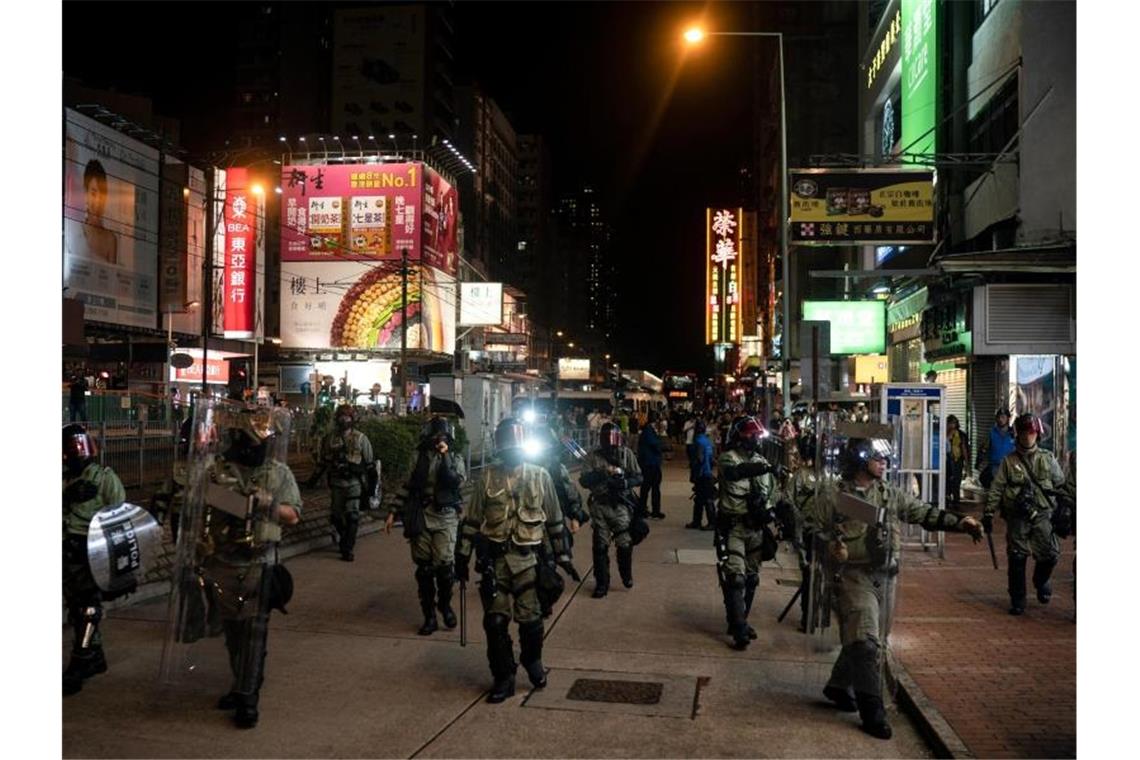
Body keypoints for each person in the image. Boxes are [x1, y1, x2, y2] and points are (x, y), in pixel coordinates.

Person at [803, 437, 982, 740]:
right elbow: (807, 527)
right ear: (861, 461)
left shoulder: (890, 495)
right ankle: (873, 711)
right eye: (877, 458)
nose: (884, 463)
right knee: (866, 643)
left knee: (874, 641)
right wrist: (828, 545)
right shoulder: (834, 497)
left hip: (886, 578)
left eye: (885, 458)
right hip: (852, 577)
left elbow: (924, 513)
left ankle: (837, 686)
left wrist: (960, 522)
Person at [187, 406, 302, 728]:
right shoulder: (216, 472)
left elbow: (293, 515)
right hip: (221, 562)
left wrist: (266, 504)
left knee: (253, 636)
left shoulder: (278, 473)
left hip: (258, 563)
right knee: (233, 635)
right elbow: (196, 510)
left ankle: (248, 696)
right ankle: (239, 686)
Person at [455, 418, 572, 703]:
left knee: (530, 620)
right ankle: (503, 676)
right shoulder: (487, 478)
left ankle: (532, 661)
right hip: (496, 563)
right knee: (495, 623)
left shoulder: (540, 476)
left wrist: (563, 557)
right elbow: (471, 521)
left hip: (529, 561)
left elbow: (555, 521)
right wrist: (461, 556)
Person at [385, 416, 466, 634]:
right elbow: (407, 485)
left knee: (445, 566)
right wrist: (393, 511)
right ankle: (429, 615)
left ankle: (445, 605)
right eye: (435, 436)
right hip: (421, 514)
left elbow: (455, 481)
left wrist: (445, 455)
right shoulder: (417, 458)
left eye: (443, 436)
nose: (438, 439)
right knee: (424, 568)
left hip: (446, 516)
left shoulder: (455, 457)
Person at [63, 424, 126, 696]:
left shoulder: (103, 478)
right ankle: (95, 654)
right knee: (76, 605)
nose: (79, 453)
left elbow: (120, 516)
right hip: (66, 548)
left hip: (91, 549)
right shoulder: (63, 480)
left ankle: (82, 658)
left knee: (87, 608)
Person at [983, 413, 1065, 616]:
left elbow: (1061, 485)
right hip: (1017, 517)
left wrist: (1065, 509)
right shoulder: (1008, 462)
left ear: (1037, 434)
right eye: (1024, 433)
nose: (1028, 437)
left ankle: (1041, 580)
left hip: (1043, 515)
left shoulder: (1047, 459)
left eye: (1032, 433)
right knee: (1017, 558)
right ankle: (1018, 599)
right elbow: (997, 488)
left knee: (1050, 555)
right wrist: (988, 512)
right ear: (1017, 435)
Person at [714, 416, 778, 651]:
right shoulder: (727, 459)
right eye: (752, 436)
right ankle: (739, 627)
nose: (755, 440)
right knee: (735, 576)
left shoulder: (763, 463)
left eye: (757, 436)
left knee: (751, 578)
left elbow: (773, 495)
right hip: (734, 527)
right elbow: (733, 474)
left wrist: (772, 511)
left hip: (756, 530)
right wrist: (763, 468)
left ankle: (739, 620)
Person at [529, 424, 589, 618]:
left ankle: (544, 601)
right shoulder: (519, 465)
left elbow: (568, 492)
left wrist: (575, 516)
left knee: (548, 559)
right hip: (524, 519)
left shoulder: (556, 467)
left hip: (549, 519)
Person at [579, 422, 643, 598]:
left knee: (624, 543)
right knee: (600, 546)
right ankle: (602, 583)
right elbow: (584, 481)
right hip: (600, 505)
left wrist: (625, 483)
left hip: (621, 505)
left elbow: (638, 476)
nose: (611, 443)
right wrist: (603, 473)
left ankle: (626, 574)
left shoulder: (626, 454)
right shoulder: (592, 456)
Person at [317, 405, 374, 561]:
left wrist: (371, 489)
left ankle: (347, 548)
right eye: (341, 416)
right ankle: (345, 539)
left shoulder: (361, 438)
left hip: (354, 482)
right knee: (336, 516)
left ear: (352, 418)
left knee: (352, 515)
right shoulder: (330, 439)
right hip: (336, 482)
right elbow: (323, 461)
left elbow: (369, 464)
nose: (344, 419)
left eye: (347, 416)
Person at [72, 159, 118, 265]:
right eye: (93, 193)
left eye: (102, 194)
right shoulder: (77, 232)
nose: (98, 200)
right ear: (85, 193)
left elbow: (112, 279)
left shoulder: (111, 239)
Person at [686, 418, 716, 530]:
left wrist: (694, 474)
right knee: (702, 499)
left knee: (704, 499)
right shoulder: (707, 441)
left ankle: (708, 522)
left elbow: (699, 459)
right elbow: (711, 458)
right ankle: (698, 521)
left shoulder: (697, 441)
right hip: (707, 472)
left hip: (702, 474)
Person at [976, 408, 1015, 490]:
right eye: (999, 417)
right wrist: (979, 462)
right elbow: (983, 449)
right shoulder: (992, 433)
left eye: (1003, 417)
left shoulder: (1013, 434)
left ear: (1008, 418)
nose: (1001, 419)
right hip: (995, 468)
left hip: (1011, 468)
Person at [637, 411, 665, 520]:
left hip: (650, 463)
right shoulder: (649, 431)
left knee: (649, 488)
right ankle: (649, 510)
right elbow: (655, 445)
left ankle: (649, 510)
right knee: (650, 488)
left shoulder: (648, 430)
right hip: (650, 464)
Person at [944, 415, 970, 509]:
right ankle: (946, 498)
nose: (951, 425)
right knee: (946, 480)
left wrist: (966, 463)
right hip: (946, 461)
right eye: (949, 423)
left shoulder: (961, 435)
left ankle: (956, 500)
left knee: (956, 480)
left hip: (957, 461)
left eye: (953, 423)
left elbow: (964, 449)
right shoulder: (943, 433)